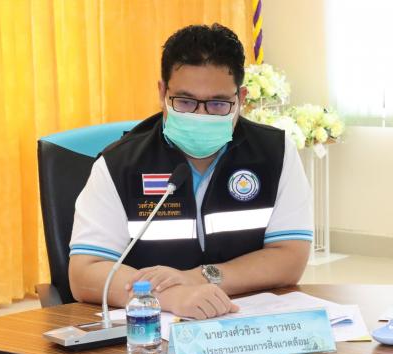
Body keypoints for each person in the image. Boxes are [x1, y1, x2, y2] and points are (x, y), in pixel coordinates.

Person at [69, 23, 313, 320]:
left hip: (247, 324)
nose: (201, 115)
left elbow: (290, 257)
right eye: (185, 102)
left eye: (218, 104)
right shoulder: (119, 165)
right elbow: (85, 272)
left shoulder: (275, 153)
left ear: (241, 98)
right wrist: (169, 296)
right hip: (150, 331)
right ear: (162, 92)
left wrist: (199, 278)